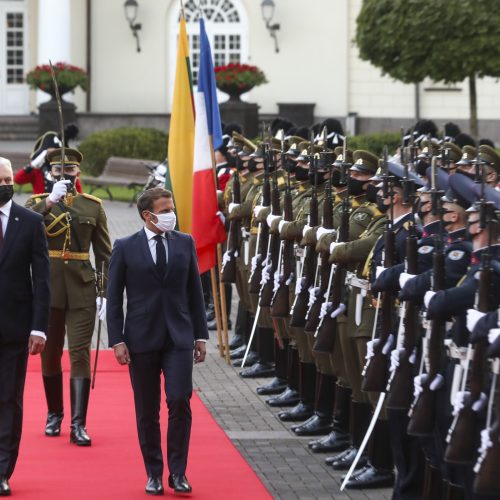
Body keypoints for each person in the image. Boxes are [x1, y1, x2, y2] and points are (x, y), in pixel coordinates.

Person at [106, 187, 208, 496]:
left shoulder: (185, 242)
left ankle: (178, 472)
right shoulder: (125, 246)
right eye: (164, 211)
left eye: (171, 208)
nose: (170, 215)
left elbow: (195, 291)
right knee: (146, 410)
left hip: (178, 336)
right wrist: (117, 340)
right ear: (146, 215)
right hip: (141, 338)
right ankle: (154, 473)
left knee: (179, 400)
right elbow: (113, 299)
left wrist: (201, 335)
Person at [25, 147, 111, 447]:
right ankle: (54, 414)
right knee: (49, 354)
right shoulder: (36, 204)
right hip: (46, 289)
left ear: (78, 174)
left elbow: (103, 254)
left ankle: (78, 423)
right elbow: (22, 230)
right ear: (50, 174)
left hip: (81, 287)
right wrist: (50, 201)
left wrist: (104, 292)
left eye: (70, 172)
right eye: (59, 172)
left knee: (79, 352)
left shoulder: (92, 206)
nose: (65, 176)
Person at [0, 157, 50, 496]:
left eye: (6, 178)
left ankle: (2, 469)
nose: (4, 184)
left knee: (8, 400)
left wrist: (39, 328)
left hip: (14, 329)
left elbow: (42, 279)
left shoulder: (30, 222)